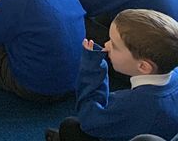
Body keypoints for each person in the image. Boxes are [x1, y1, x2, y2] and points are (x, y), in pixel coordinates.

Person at [47, 9, 178, 141]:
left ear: (143, 66)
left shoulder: (134, 104)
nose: (106, 45)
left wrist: (92, 69)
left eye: (114, 45)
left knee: (70, 126)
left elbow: (89, 121)